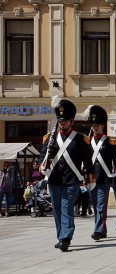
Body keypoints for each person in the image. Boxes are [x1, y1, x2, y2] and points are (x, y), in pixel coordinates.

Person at [38, 96, 95, 251]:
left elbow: (88, 161)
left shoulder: (80, 139)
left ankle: (66, 237)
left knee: (67, 207)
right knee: (57, 209)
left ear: (71, 121)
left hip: (72, 179)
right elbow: (42, 156)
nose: (62, 123)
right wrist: (42, 165)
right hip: (54, 179)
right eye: (60, 120)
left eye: (64, 121)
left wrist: (90, 177)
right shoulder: (50, 138)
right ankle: (60, 235)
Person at [84, 105, 116, 241]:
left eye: (98, 125)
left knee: (101, 205)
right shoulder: (87, 143)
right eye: (94, 125)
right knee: (96, 206)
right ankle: (103, 228)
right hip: (91, 178)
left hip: (105, 178)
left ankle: (98, 230)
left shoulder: (110, 142)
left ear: (102, 126)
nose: (96, 128)